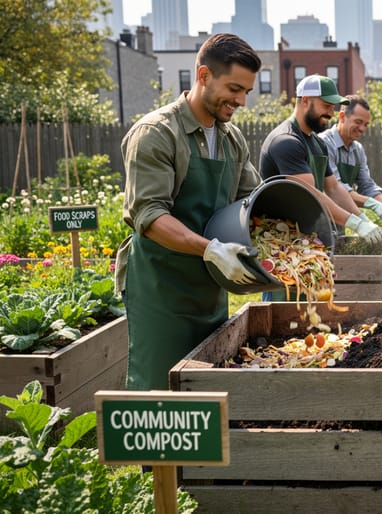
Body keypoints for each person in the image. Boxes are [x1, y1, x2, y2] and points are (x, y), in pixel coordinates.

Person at [116, 33, 262, 391]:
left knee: (203, 388)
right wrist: (211, 249)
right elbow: (148, 216)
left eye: (247, 91)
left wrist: (297, 241)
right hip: (162, 286)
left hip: (209, 286)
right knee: (160, 392)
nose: (241, 100)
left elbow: (252, 199)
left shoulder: (232, 139)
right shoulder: (157, 133)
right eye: (234, 88)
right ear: (203, 76)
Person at [259, 74, 382, 246]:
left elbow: (333, 188)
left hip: (307, 237)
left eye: (332, 107)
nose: (330, 113)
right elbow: (310, 195)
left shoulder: (317, 143)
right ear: (305, 100)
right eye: (326, 106)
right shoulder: (286, 141)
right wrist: (355, 224)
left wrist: (363, 220)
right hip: (280, 239)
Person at [321, 95, 382, 225]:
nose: (362, 129)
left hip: (342, 222)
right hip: (320, 220)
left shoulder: (357, 150)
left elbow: (366, 185)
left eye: (366, 124)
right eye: (358, 122)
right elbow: (335, 188)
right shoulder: (324, 143)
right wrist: (372, 205)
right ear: (342, 117)